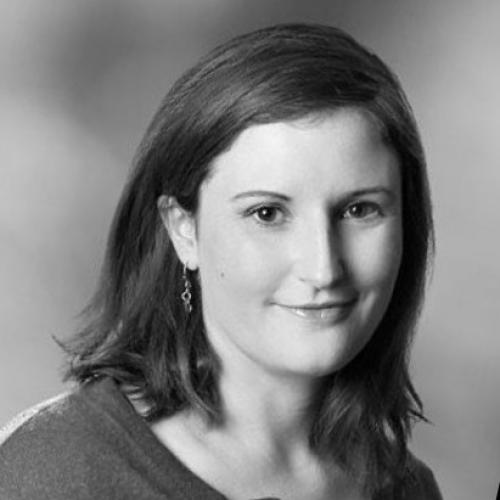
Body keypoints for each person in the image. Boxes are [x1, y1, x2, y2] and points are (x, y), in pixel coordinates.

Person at [0, 23, 442, 500]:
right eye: (267, 213)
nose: (323, 269)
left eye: (359, 210)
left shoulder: (405, 487)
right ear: (183, 229)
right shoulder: (54, 470)